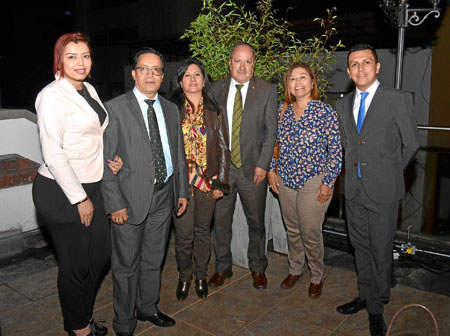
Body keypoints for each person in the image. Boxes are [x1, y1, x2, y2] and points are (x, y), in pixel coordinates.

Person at [32, 32, 122, 336]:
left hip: (93, 184)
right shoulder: (51, 96)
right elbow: (53, 152)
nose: (80, 62)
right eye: (72, 56)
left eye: (85, 55)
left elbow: (94, 135)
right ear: (60, 60)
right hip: (62, 191)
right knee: (74, 264)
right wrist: (79, 198)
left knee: (99, 254)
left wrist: (111, 159)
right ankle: (79, 328)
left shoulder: (89, 89)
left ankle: (80, 315)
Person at [102, 47, 188, 335]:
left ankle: (147, 307)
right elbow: (106, 160)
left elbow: (178, 152)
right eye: (144, 69)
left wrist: (182, 191)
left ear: (163, 76)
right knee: (126, 265)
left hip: (165, 194)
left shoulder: (170, 109)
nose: (150, 74)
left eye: (156, 70)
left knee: (154, 258)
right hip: (129, 199)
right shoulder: (114, 109)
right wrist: (114, 203)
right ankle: (124, 322)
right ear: (134, 73)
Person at [335, 44, 419, 336]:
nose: (360, 68)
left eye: (366, 62)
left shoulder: (397, 99)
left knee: (380, 250)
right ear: (348, 71)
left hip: (384, 190)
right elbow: (348, 144)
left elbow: (411, 143)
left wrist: (390, 171)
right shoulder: (343, 104)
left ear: (377, 66)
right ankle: (364, 294)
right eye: (354, 64)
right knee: (359, 247)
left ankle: (376, 307)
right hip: (355, 190)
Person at [267, 62, 342, 297]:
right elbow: (273, 145)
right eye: (292, 78)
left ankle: (317, 275)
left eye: (302, 78)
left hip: (314, 179)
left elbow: (336, 150)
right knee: (292, 229)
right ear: (288, 85)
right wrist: (271, 170)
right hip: (285, 177)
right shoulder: (283, 111)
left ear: (311, 83)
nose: (297, 82)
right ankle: (295, 269)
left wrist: (328, 182)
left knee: (310, 230)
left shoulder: (324, 112)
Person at [209, 42, 277, 289]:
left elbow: (271, 132)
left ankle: (258, 267)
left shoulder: (267, 90)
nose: (242, 66)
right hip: (223, 171)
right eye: (238, 61)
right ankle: (222, 267)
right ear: (229, 63)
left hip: (253, 171)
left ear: (254, 64)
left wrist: (263, 164)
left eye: (248, 61)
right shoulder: (215, 89)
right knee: (221, 222)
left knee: (256, 223)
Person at [168, 58, 230, 300]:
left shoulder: (216, 110)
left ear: (204, 80)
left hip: (208, 183)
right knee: (183, 236)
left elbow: (224, 149)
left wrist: (220, 184)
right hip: (181, 184)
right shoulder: (171, 109)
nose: (192, 79)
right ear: (180, 81)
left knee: (203, 232)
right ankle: (184, 277)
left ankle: (202, 276)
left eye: (197, 75)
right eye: (187, 75)